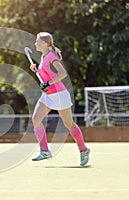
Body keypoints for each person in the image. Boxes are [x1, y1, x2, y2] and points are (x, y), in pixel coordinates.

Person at [30, 32, 90, 166]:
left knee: (69, 124)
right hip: (48, 95)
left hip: (59, 95)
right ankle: (44, 150)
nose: (35, 43)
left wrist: (48, 83)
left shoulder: (51, 56)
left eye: (37, 41)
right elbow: (46, 75)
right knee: (36, 119)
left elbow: (62, 74)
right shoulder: (43, 56)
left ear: (45, 43)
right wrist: (36, 71)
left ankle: (83, 150)